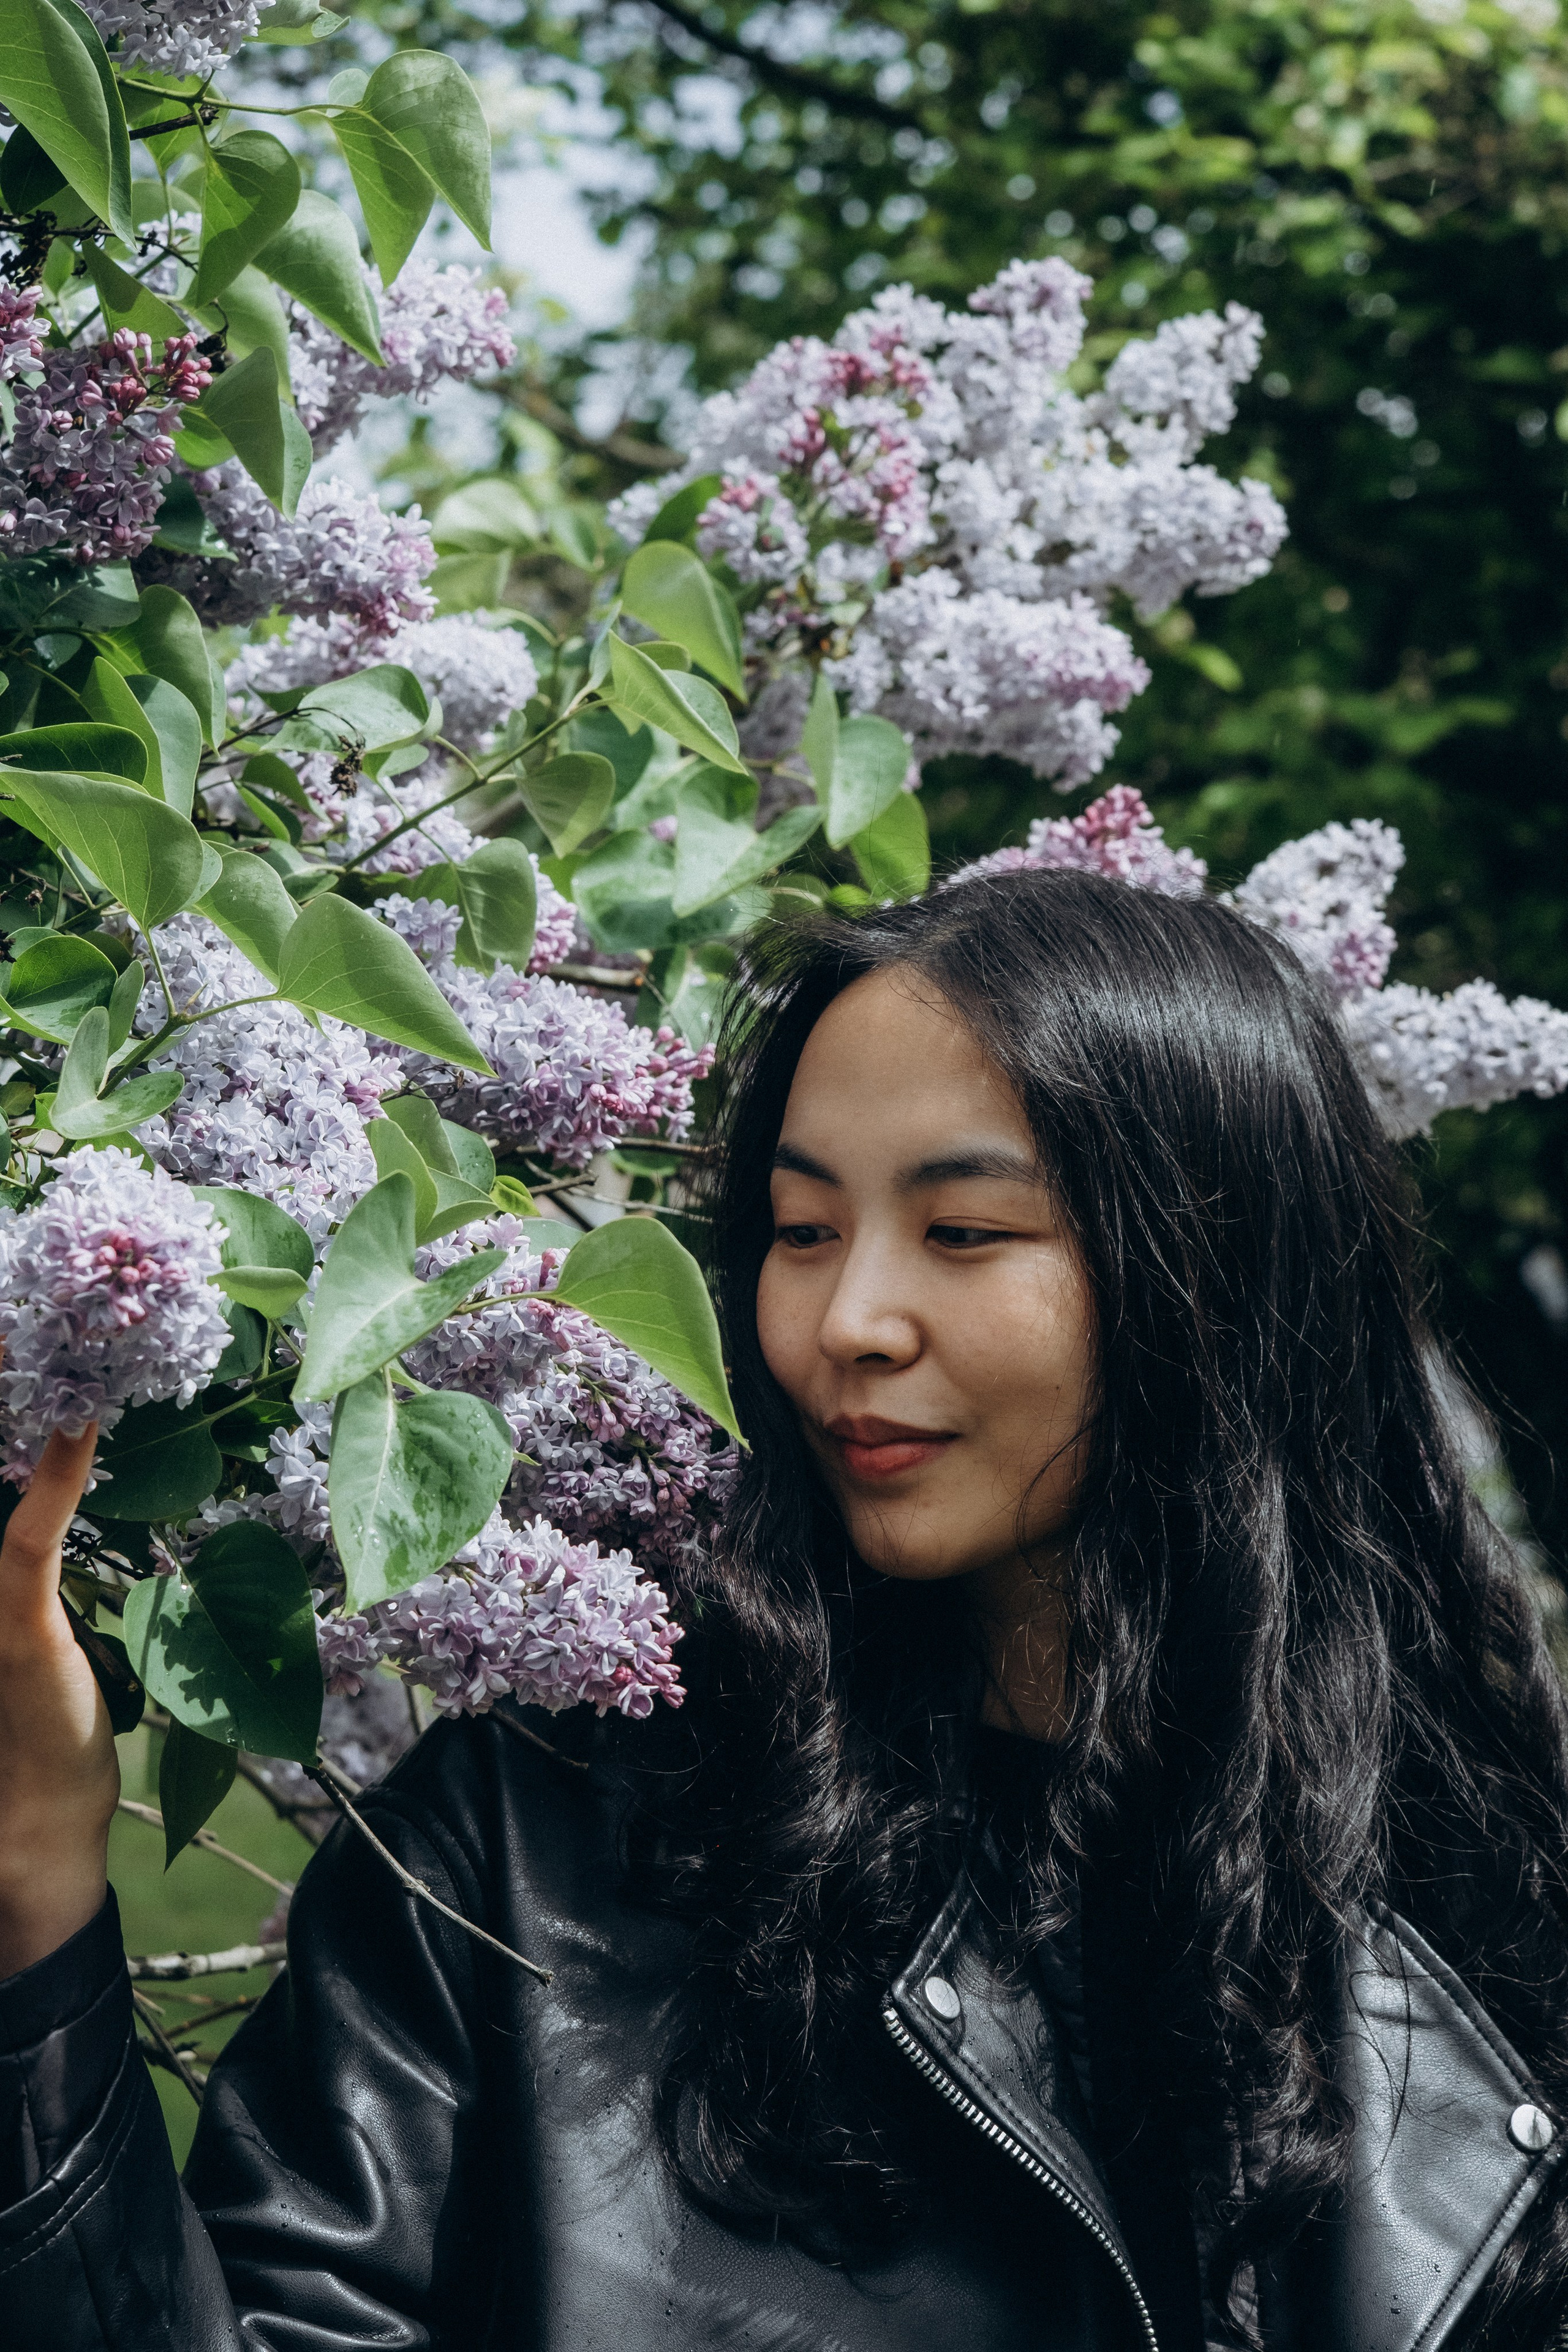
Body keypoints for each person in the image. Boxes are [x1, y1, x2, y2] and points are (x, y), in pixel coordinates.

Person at [4, 867, 1568, 2352]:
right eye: (801, 1230)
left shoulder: (1494, 1913)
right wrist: (39, 1908)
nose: (846, 1320)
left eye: (963, 1233)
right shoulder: (528, 1861)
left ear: (1215, 1273)